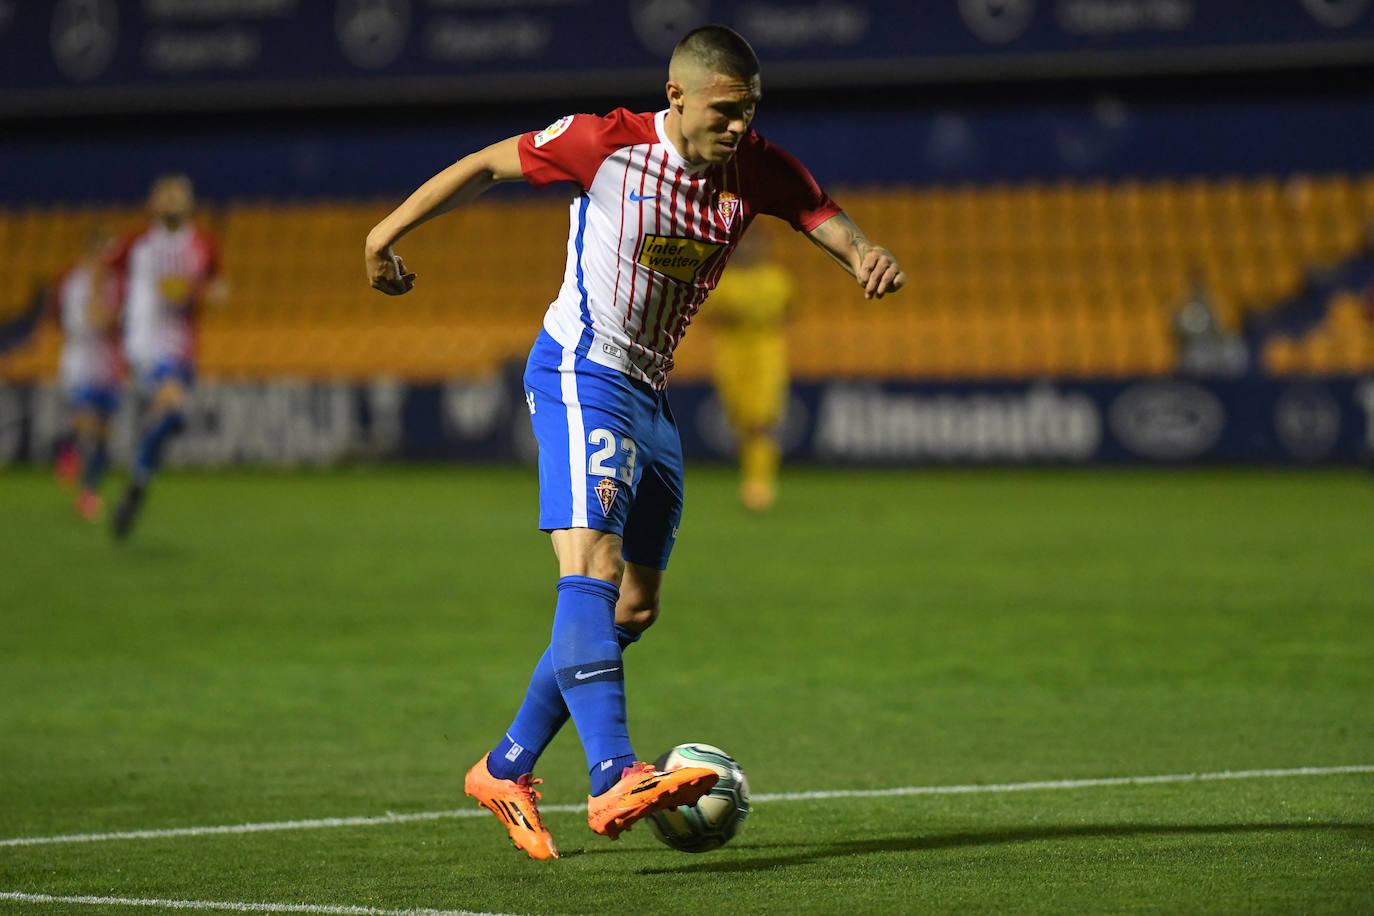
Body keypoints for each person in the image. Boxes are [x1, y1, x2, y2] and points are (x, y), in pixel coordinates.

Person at [364, 24, 905, 860]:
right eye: (726, 110)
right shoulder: (604, 144)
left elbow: (818, 213)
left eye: (749, 111)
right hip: (582, 372)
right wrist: (382, 236)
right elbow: (482, 165)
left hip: (651, 394)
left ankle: (504, 764)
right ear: (676, 96)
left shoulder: (757, 165)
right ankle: (614, 773)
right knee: (591, 566)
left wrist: (863, 253)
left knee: (636, 605)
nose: (738, 126)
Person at [109, 174, 224, 539]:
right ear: (153, 202)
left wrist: (202, 292)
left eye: (179, 194)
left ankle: (136, 483)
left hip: (182, 350)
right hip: (144, 344)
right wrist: (115, 313)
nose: (173, 200)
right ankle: (135, 482)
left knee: (172, 419)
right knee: (174, 408)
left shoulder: (202, 243)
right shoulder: (136, 243)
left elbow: (218, 284)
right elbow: (104, 270)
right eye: (166, 194)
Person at [705, 224, 795, 511]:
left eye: (754, 244)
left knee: (761, 421)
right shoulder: (723, 281)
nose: (749, 250)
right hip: (731, 355)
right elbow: (711, 315)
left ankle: (759, 485)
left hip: (766, 353)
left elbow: (788, 313)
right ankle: (753, 478)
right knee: (743, 423)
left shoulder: (778, 279)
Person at [51, 227, 121, 521]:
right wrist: (104, 317)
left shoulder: (116, 284)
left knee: (104, 436)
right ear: (92, 255)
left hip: (107, 367)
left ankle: (88, 494)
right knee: (87, 422)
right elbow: (82, 325)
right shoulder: (74, 285)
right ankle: (67, 448)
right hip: (80, 364)